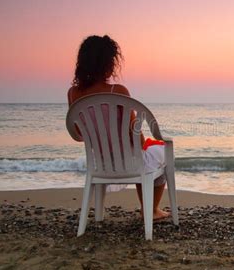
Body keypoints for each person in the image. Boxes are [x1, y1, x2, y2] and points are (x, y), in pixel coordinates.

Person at [67, 34, 169, 220]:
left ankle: (99, 214)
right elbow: (134, 134)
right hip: (131, 162)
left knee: (144, 157)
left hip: (102, 164)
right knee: (157, 153)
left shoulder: (74, 93)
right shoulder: (118, 92)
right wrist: (143, 142)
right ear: (108, 64)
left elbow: (78, 135)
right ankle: (151, 210)